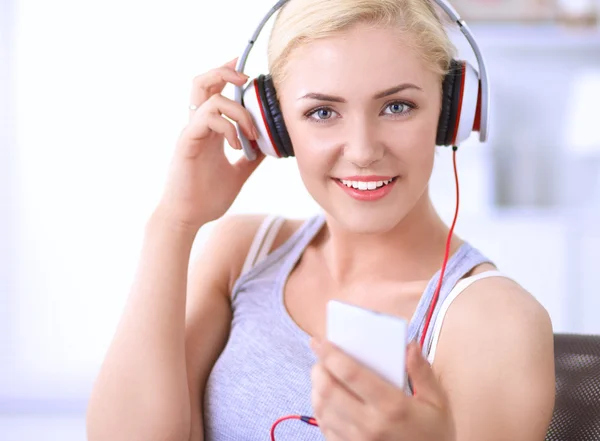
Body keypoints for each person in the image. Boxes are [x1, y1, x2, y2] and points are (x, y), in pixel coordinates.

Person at [86, 0, 556, 440]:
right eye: (322, 112)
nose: (363, 151)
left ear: (451, 110)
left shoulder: (495, 320)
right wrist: (173, 222)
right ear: (273, 127)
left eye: (397, 106)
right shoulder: (244, 254)